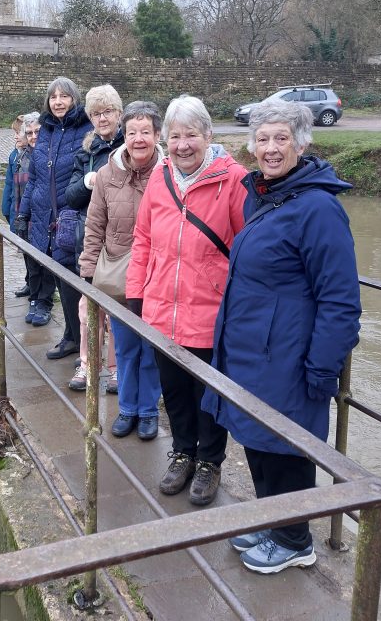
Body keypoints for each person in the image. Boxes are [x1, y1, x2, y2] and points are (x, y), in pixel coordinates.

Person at [201, 99, 361, 574]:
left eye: (281, 138)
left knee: (287, 445)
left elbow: (340, 301)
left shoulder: (318, 208)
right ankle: (274, 522)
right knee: (257, 439)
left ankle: (295, 540)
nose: (270, 148)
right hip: (252, 350)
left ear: (302, 144)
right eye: (262, 139)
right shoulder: (265, 196)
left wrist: (321, 369)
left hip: (289, 357)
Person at [125, 94, 247, 506]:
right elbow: (143, 238)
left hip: (210, 310)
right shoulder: (160, 177)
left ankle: (209, 461)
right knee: (174, 389)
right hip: (162, 307)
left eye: (191, 135)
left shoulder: (233, 181)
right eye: (175, 136)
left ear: (208, 135)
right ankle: (182, 453)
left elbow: (247, 249)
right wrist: (136, 293)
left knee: (208, 394)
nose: (182, 145)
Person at [79, 101, 164, 439]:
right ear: (123, 136)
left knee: (151, 349)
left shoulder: (169, 174)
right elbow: (94, 225)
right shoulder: (106, 175)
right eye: (132, 132)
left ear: (157, 135)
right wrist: (88, 273)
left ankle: (148, 410)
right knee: (125, 346)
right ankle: (127, 408)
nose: (138, 139)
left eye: (145, 132)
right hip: (118, 273)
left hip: (156, 276)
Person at [14, 78, 92, 332]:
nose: (58, 102)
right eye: (53, 97)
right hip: (41, 215)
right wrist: (23, 214)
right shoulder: (45, 130)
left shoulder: (86, 129)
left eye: (64, 96)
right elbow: (34, 179)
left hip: (69, 217)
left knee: (72, 283)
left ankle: (77, 337)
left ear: (74, 99)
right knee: (48, 271)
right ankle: (65, 331)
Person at [63, 85, 125, 381]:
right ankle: (88, 364)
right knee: (87, 307)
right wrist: (88, 182)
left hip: (122, 242)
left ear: (119, 113)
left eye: (108, 111)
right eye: (96, 113)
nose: (102, 118)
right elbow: (71, 197)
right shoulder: (86, 152)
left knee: (117, 308)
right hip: (91, 239)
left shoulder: (130, 147)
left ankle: (116, 368)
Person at [8, 113, 40, 301]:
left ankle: (39, 298)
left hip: (38, 216)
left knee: (39, 261)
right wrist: (16, 214)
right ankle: (32, 290)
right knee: (28, 256)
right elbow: (16, 190)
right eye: (29, 133)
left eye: (37, 132)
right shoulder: (20, 157)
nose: (33, 136)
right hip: (23, 214)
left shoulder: (41, 156)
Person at [2, 115, 30, 298]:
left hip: (26, 210)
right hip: (15, 207)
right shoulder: (14, 155)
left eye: (18, 132)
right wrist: (6, 208)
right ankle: (29, 281)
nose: (15, 136)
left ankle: (39, 286)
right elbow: (9, 184)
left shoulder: (31, 156)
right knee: (24, 248)